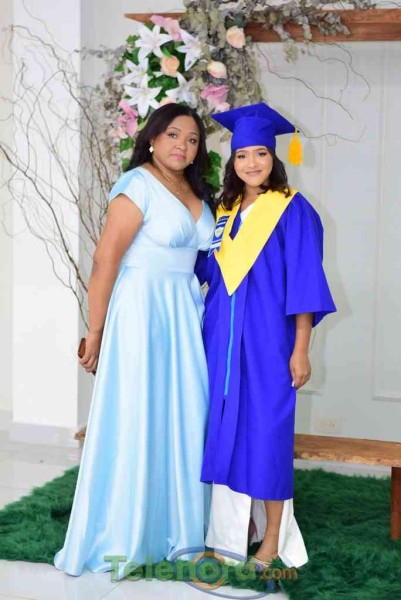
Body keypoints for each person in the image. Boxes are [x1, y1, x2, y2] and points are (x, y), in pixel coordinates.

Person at [54, 104, 215, 578]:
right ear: (151, 138)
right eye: (173, 135)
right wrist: (96, 329)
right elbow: (105, 260)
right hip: (141, 309)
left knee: (185, 412)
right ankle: (126, 529)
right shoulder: (136, 185)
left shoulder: (196, 191)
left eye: (191, 139)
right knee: (138, 412)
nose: (182, 145)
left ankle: (181, 526)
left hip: (184, 311)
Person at [195, 102, 337, 570]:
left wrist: (301, 349)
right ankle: (233, 532)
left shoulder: (292, 210)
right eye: (242, 155)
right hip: (220, 339)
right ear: (232, 161)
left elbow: (305, 284)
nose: (251, 163)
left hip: (267, 342)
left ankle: (273, 536)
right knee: (223, 433)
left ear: (274, 158)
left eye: (260, 154)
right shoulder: (224, 211)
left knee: (267, 436)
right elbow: (206, 273)